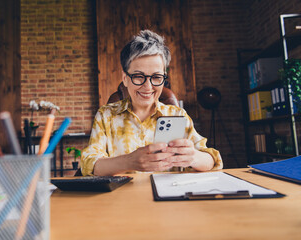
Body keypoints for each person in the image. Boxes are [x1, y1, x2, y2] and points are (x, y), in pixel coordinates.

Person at [81, 30, 223, 176]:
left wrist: (194, 157)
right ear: (125, 78)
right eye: (138, 76)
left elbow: (211, 160)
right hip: (121, 197)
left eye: (156, 77)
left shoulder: (177, 114)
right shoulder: (106, 116)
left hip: (168, 195)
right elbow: (90, 164)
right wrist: (129, 162)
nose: (148, 87)